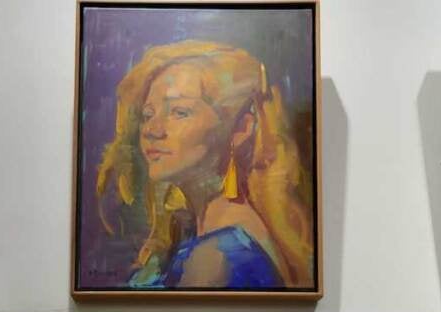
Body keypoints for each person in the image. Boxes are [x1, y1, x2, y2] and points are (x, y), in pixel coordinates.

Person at [96, 41, 314, 290]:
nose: (152, 131)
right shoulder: (195, 231)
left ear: (241, 129)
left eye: (179, 112)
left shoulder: (216, 257)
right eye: (148, 115)